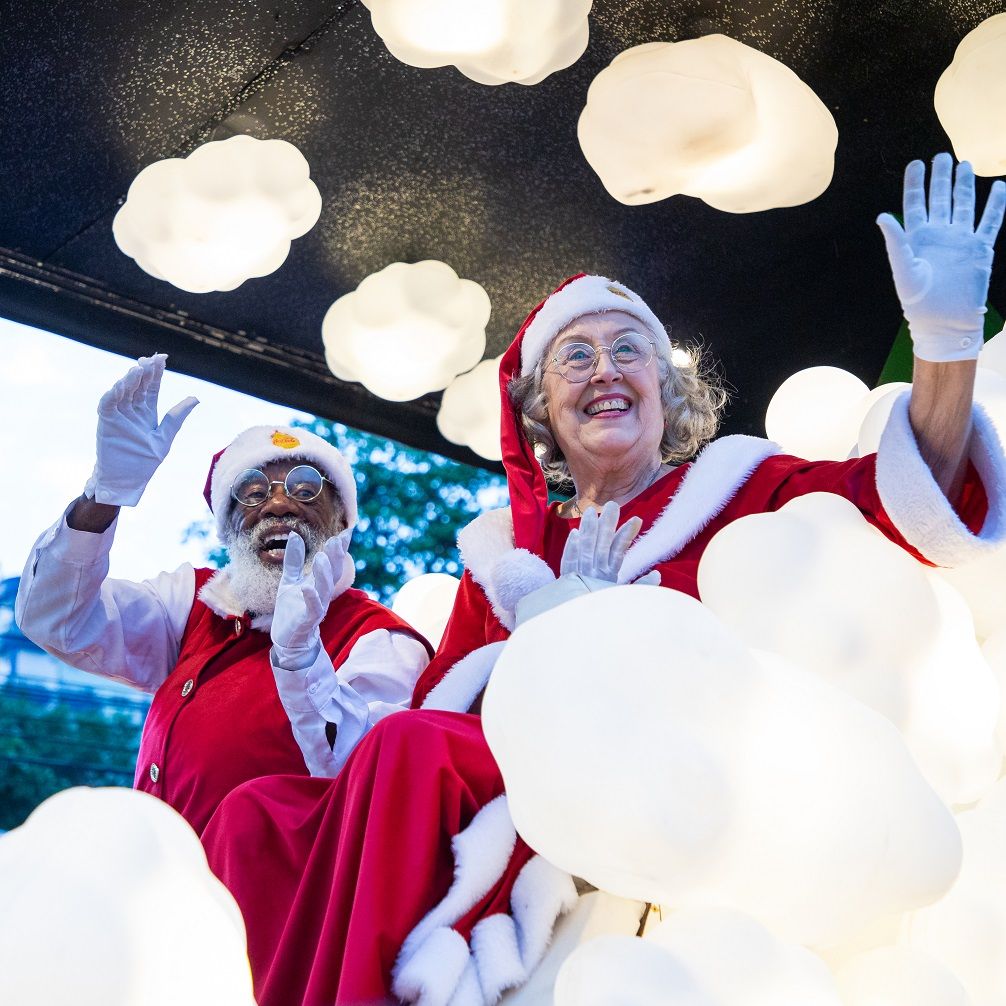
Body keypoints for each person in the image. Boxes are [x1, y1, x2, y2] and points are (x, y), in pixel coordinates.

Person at [198, 154, 1006, 1006]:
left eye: (629, 350)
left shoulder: (742, 486)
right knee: (256, 815)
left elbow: (913, 506)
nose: (605, 371)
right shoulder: (504, 555)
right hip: (494, 780)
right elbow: (441, 705)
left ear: (666, 387)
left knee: (409, 751)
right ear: (542, 410)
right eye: (574, 358)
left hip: (661, 786)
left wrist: (944, 347)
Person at [14, 360, 432, 835]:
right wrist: (105, 494)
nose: (278, 504)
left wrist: (303, 660)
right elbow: (55, 619)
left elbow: (377, 786)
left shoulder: (379, 639)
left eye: (306, 489)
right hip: (165, 876)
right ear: (228, 528)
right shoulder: (193, 602)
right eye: (252, 493)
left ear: (341, 521)